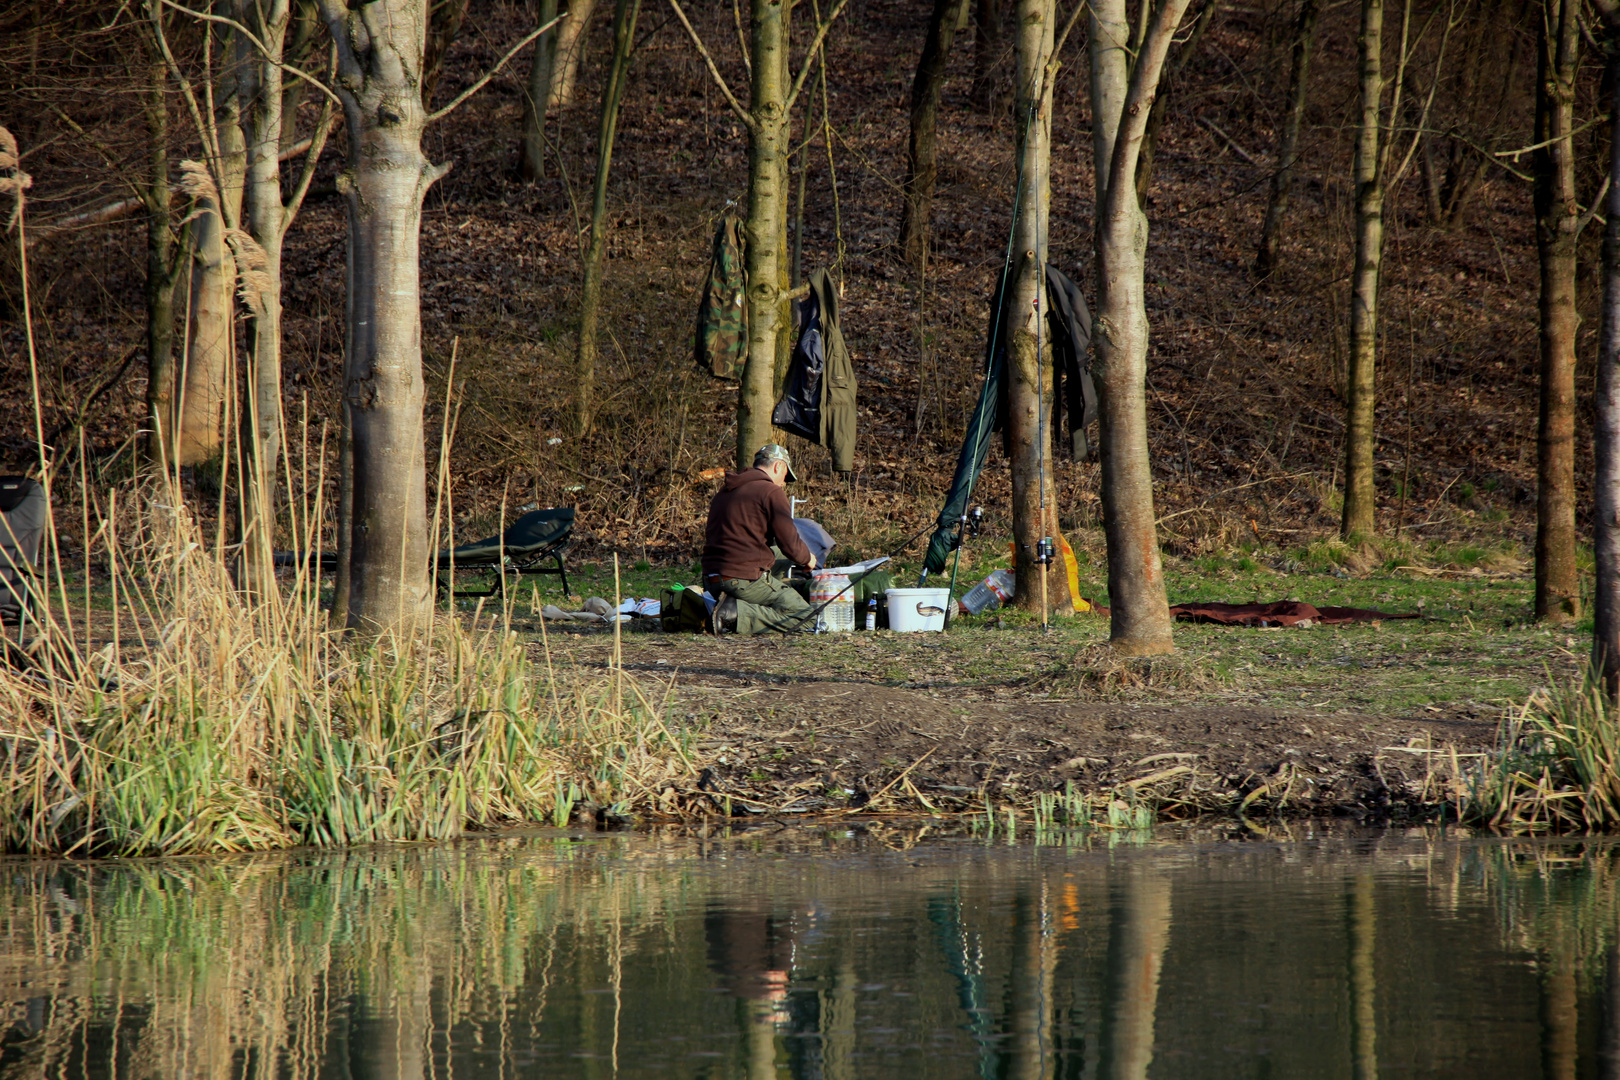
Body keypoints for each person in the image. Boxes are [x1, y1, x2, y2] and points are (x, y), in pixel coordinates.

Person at [703, 444, 818, 634]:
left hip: (712, 579)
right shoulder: (770, 491)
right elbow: (790, 544)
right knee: (808, 618)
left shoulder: (724, 492)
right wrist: (808, 559)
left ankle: (761, 596)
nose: (783, 483)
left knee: (779, 554)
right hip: (740, 579)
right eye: (785, 477)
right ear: (777, 467)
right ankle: (736, 613)